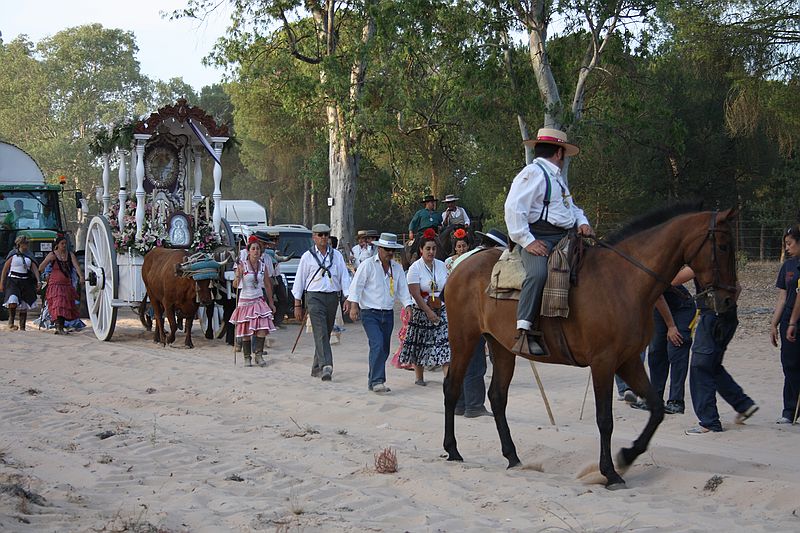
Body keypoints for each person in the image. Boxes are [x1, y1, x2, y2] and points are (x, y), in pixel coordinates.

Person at [503, 128, 593, 356]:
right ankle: (524, 331)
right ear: (559, 153)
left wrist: (582, 222)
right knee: (538, 274)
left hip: (565, 236)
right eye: (564, 155)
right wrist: (527, 241)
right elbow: (513, 207)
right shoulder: (532, 173)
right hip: (539, 236)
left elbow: (570, 208)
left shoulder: (557, 178)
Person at [672, 266, 758, 434]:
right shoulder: (722, 261)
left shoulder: (700, 262)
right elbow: (738, 288)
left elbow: (673, 280)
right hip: (728, 316)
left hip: (711, 317)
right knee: (712, 365)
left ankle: (709, 422)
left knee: (699, 368)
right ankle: (743, 404)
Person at [452, 228, 509, 418]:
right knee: (475, 362)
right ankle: (474, 405)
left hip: (456, 312)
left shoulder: (463, 258)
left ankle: (459, 404)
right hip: (475, 314)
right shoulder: (486, 263)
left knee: (461, 359)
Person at [348, 232, 412, 393]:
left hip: (387, 313)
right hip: (370, 312)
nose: (390, 253)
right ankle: (378, 380)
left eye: (392, 250)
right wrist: (354, 306)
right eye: (386, 249)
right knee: (377, 344)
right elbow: (356, 286)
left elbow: (403, 289)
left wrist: (408, 305)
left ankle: (373, 379)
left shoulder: (396, 268)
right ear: (379, 249)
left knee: (384, 348)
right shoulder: (367, 265)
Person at [292, 223, 352, 381]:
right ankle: (327, 365)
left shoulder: (337, 256)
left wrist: (347, 297)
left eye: (326, 234)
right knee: (320, 331)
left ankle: (316, 367)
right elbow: (299, 281)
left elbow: (344, 277)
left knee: (325, 331)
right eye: (320, 235)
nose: (323, 237)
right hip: (314, 297)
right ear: (314, 237)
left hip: (332, 297)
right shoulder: (307, 257)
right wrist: (297, 304)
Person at [399, 228, 450, 386]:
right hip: (421, 309)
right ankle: (419, 377)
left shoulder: (442, 265)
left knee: (445, 343)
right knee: (419, 343)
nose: (431, 252)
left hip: (441, 308)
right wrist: (428, 311)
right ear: (421, 249)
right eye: (428, 248)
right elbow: (415, 293)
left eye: (434, 248)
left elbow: (447, 287)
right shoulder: (415, 268)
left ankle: (448, 378)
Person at [770, 225, 800, 423]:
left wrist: (793, 322)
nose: (787, 248)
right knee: (789, 364)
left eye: (790, 244)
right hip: (788, 318)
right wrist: (774, 323)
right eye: (785, 244)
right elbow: (782, 297)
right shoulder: (788, 266)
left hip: (795, 320)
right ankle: (789, 410)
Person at [231, 240, 276, 367]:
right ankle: (247, 357)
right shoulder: (242, 265)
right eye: (253, 249)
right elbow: (235, 285)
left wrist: (271, 302)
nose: (256, 251)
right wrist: (238, 276)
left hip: (258, 300)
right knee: (246, 331)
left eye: (258, 249)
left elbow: (267, 285)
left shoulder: (263, 266)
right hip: (245, 301)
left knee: (262, 328)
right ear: (248, 251)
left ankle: (258, 355)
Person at [38, 236, 83, 335]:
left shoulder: (70, 255)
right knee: (58, 304)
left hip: (66, 284)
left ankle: (61, 327)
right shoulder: (52, 255)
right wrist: (47, 261)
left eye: (65, 243)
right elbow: (41, 267)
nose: (64, 245)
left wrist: (81, 277)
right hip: (55, 284)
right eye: (62, 243)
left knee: (64, 305)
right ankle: (59, 327)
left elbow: (76, 266)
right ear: (57, 245)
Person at [1, 235, 40, 331]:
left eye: (27, 243)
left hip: (25, 281)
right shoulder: (13, 254)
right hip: (13, 280)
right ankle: (11, 322)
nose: (26, 245)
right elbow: (5, 269)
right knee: (12, 300)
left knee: (24, 304)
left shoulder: (29, 255)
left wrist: (38, 280)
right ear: (19, 244)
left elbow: (34, 268)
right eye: (24, 243)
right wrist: (1, 282)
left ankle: (22, 326)